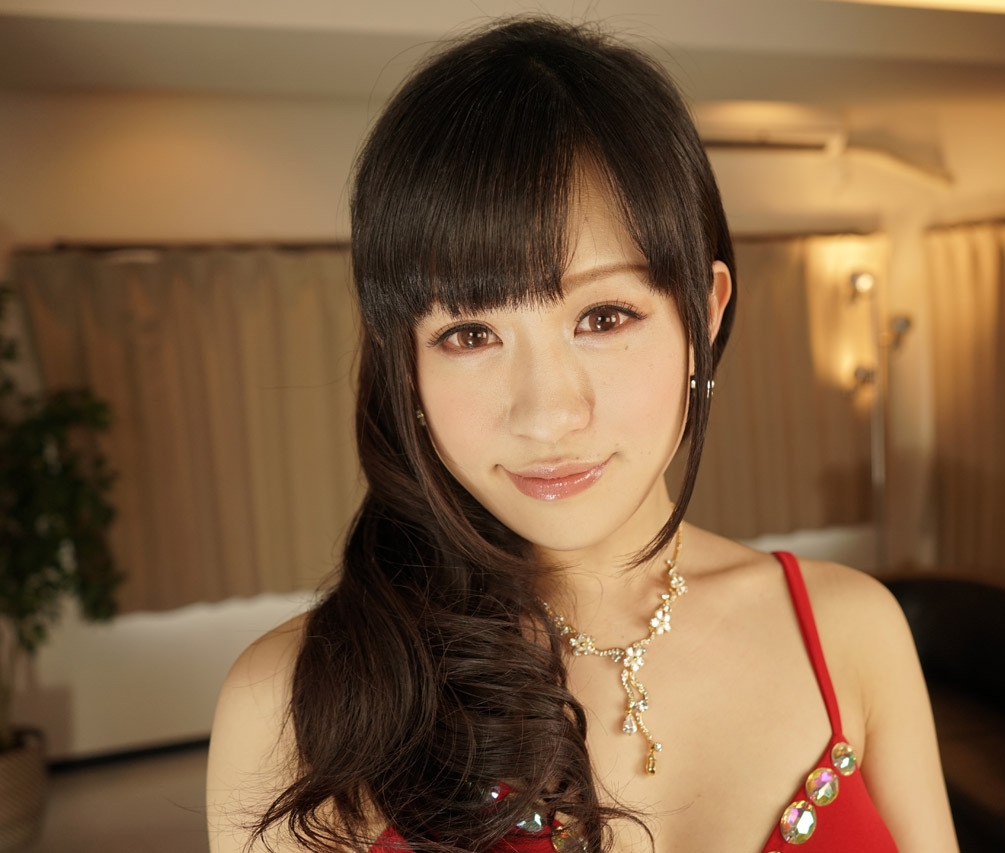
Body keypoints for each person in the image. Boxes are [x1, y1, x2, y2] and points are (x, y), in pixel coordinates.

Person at [206, 16, 958, 853]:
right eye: (470, 334)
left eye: (604, 317)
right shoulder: (300, 702)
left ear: (704, 316)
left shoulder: (855, 631)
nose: (547, 413)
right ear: (403, 364)